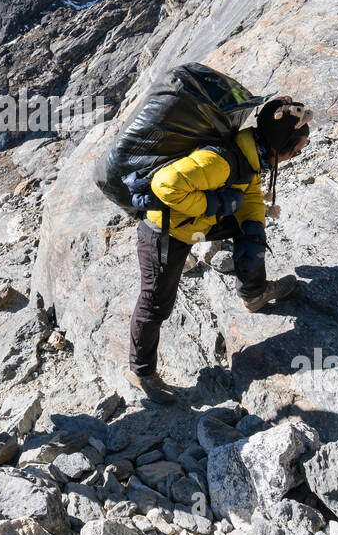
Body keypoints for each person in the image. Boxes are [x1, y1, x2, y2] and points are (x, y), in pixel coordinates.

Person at [127, 100, 310, 404]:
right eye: (297, 150)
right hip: (165, 235)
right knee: (155, 303)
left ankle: (254, 293)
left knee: (249, 234)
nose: (298, 156)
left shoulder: (252, 153)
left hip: (193, 225)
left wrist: (253, 226)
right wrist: (213, 205)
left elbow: (248, 189)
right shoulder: (223, 161)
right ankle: (141, 372)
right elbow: (165, 185)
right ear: (280, 146)